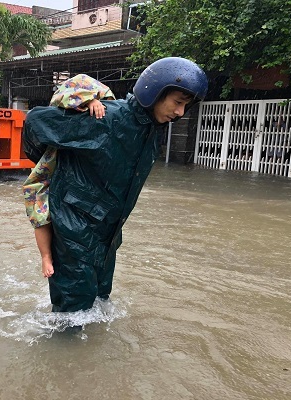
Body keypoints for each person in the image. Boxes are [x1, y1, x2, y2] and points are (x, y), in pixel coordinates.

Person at [22, 57, 209, 312]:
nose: (180, 112)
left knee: (100, 300)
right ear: (155, 93)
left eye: (185, 106)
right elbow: (35, 122)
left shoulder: (152, 132)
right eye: (177, 103)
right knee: (73, 310)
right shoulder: (106, 117)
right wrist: (57, 163)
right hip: (75, 226)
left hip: (108, 233)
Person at [23, 74, 115, 279]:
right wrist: (89, 101)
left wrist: (99, 104)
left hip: (86, 187)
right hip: (52, 173)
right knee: (39, 213)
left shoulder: (106, 124)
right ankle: (45, 256)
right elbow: (61, 99)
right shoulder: (58, 119)